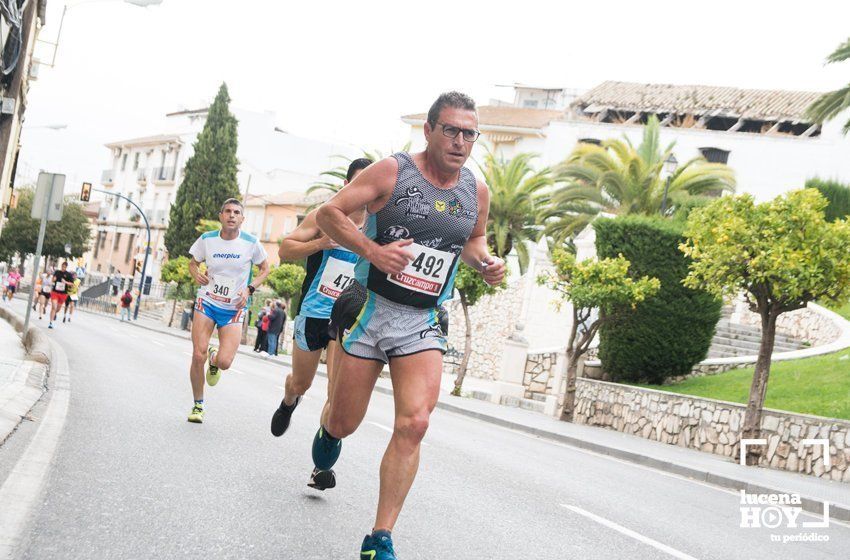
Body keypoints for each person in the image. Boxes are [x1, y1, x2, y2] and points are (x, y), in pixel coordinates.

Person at [314, 92, 505, 559]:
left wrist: (485, 263)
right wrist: (372, 252)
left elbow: (473, 240)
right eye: (452, 130)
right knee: (344, 421)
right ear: (429, 130)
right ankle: (327, 434)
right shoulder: (393, 172)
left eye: (469, 133)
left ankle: (379, 537)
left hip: (420, 321)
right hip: (372, 310)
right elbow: (328, 214)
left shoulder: (475, 191)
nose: (461, 141)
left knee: (415, 423)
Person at [269, 158, 371, 453]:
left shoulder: (380, 225)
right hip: (314, 311)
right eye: (359, 182)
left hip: (349, 317)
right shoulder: (324, 216)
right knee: (302, 383)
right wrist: (320, 243)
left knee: (337, 394)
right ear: (347, 185)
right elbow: (286, 250)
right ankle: (289, 400)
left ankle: (321, 461)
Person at [186, 198, 270, 424]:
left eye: (236, 212)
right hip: (207, 301)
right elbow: (193, 263)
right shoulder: (207, 239)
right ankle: (198, 405)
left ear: (242, 218)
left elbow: (265, 269)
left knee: (225, 362)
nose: (232, 215)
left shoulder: (251, 243)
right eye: (228, 211)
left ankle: (214, 360)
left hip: (233, 308)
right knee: (197, 354)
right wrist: (196, 274)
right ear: (221, 215)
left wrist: (250, 289)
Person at [48, 262, 75, 329]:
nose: (63, 268)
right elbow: (53, 279)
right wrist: (53, 279)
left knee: (58, 309)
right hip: (55, 292)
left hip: (63, 294)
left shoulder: (68, 275)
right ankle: (51, 323)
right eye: (62, 266)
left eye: (64, 267)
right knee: (54, 307)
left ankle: (55, 314)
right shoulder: (57, 272)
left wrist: (65, 282)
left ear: (66, 267)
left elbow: (72, 284)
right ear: (61, 266)